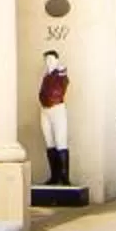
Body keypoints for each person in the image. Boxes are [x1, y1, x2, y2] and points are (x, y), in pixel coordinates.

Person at [37, 49, 72, 186]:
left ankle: (64, 176)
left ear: (57, 61)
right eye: (46, 60)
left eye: (51, 60)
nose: (48, 63)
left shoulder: (60, 74)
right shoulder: (46, 76)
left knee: (60, 141)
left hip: (57, 109)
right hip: (45, 110)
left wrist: (60, 69)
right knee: (49, 142)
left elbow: (64, 75)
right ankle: (54, 175)